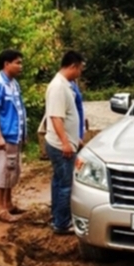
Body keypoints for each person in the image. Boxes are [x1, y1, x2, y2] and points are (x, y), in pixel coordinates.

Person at [45, 51, 85, 235]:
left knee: (58, 182)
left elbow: (67, 115)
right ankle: (62, 223)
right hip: (60, 145)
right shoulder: (58, 87)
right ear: (73, 66)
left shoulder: (65, 85)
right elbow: (55, 117)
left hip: (65, 141)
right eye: (80, 68)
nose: (80, 72)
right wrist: (65, 143)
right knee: (66, 184)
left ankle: (57, 217)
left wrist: (74, 138)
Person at [0, 49, 26, 223]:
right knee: (2, 170)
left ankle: (8, 204)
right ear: (6, 64)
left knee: (12, 170)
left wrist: (24, 132)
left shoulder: (13, 83)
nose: (20, 66)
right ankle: (0, 208)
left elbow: (19, 109)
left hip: (15, 134)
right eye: (17, 62)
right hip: (6, 134)